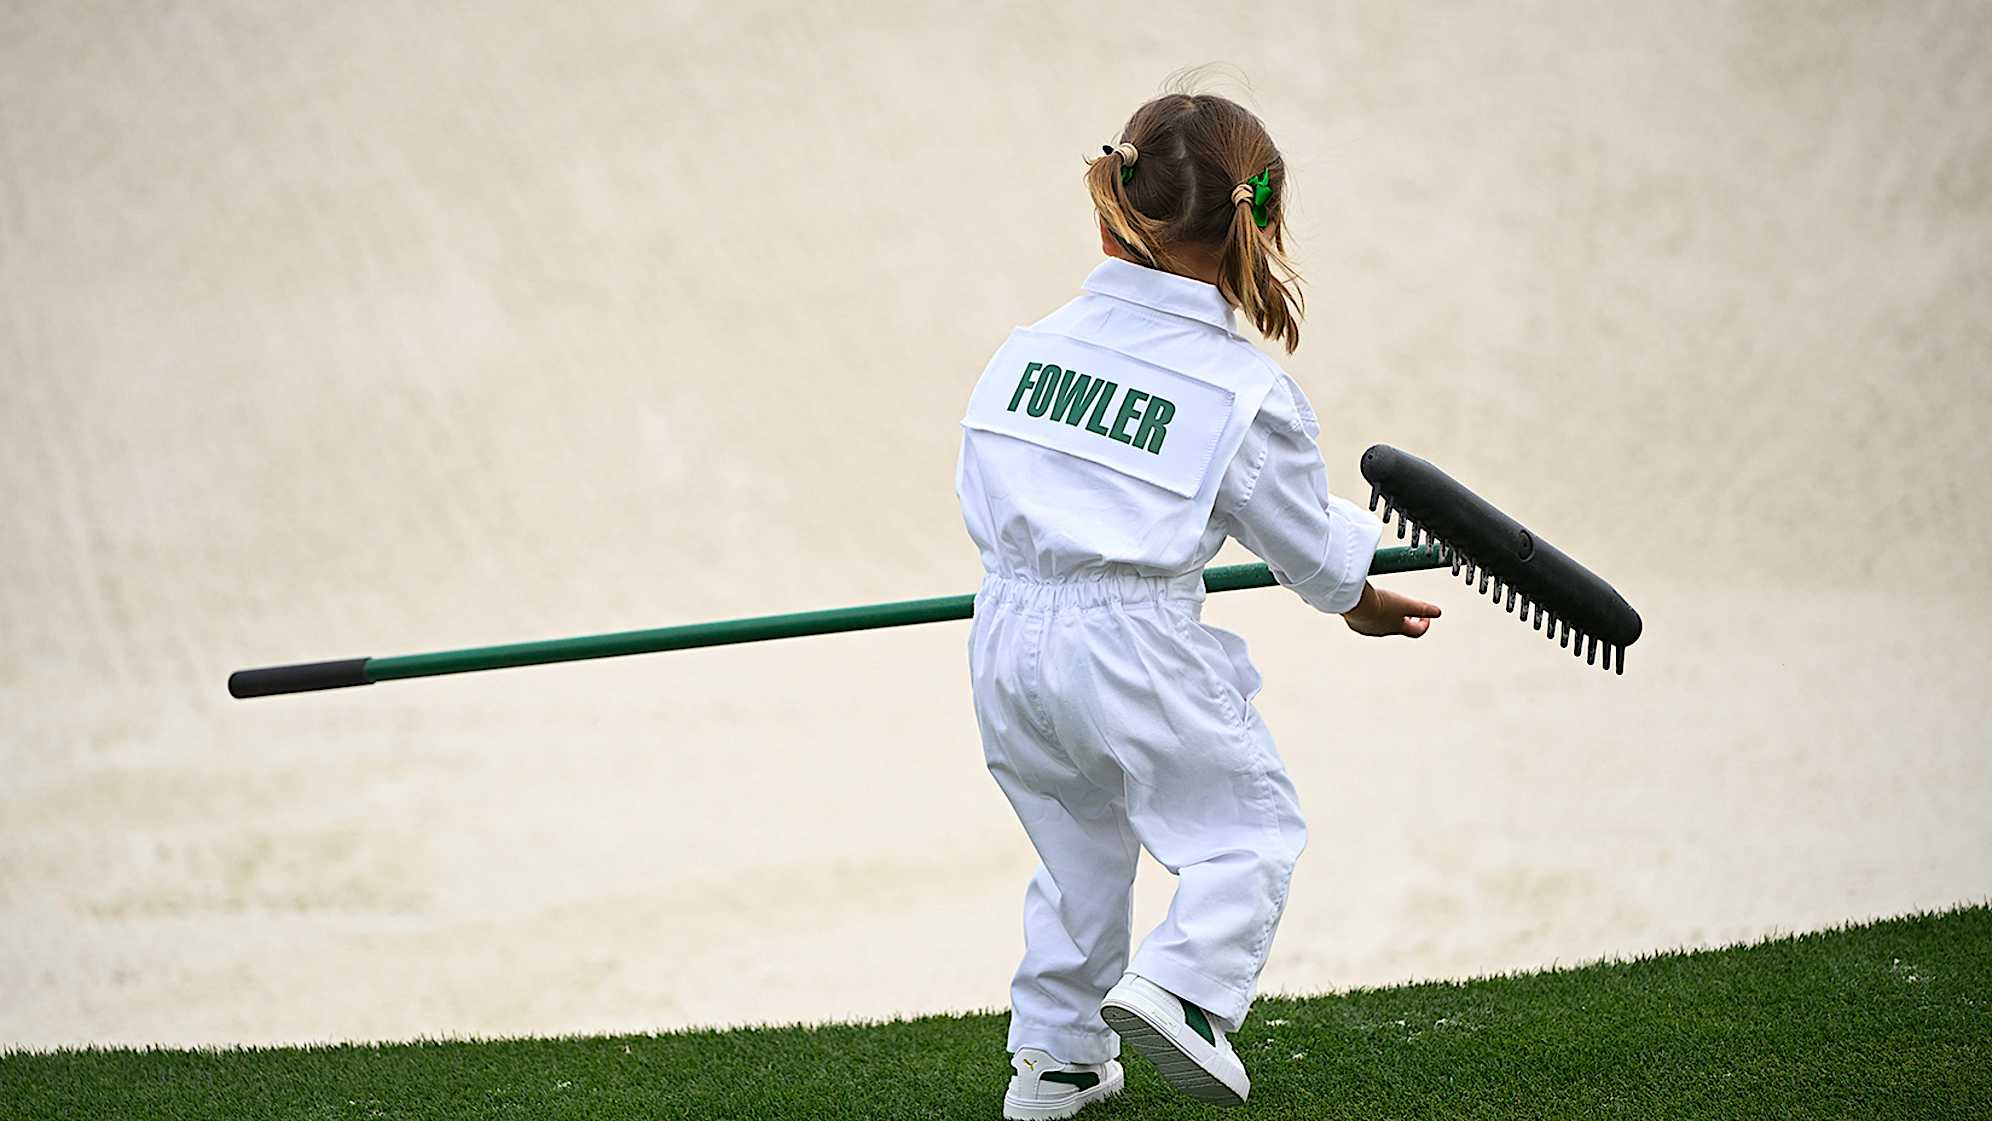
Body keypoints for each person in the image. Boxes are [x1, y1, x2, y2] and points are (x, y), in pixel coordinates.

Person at [956, 90, 1442, 1120]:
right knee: (1245, 831)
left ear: (1109, 214)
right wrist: (1352, 592)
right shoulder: (1239, 387)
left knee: (1079, 858)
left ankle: (1057, 1061)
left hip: (1002, 635)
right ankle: (1183, 988)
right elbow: (1302, 540)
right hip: (1130, 638)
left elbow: (984, 485)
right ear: (1258, 226)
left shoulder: (1025, 349)